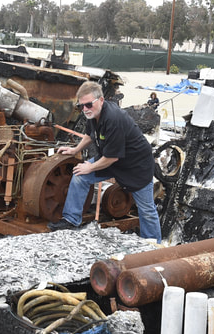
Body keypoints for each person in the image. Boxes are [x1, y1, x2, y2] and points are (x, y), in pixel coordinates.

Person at [47, 81, 162, 242]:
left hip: (136, 165)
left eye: (88, 104)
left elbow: (112, 157)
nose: (85, 109)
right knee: (80, 176)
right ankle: (71, 220)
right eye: (81, 106)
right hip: (111, 160)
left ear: (101, 100)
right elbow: (90, 135)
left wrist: (90, 167)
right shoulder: (93, 114)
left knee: (146, 210)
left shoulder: (113, 119)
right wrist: (75, 150)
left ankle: (153, 244)